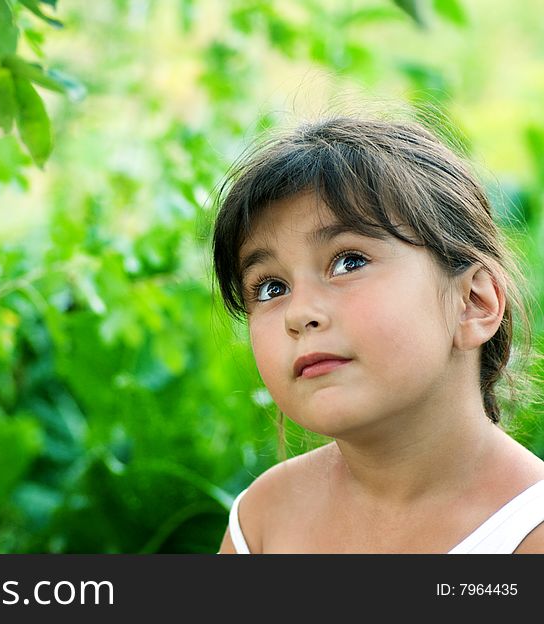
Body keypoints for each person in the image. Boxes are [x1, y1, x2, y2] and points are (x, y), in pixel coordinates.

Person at [211, 116, 544, 553]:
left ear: (474, 303)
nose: (300, 313)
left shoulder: (526, 532)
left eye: (348, 261)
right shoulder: (261, 521)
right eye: (271, 288)